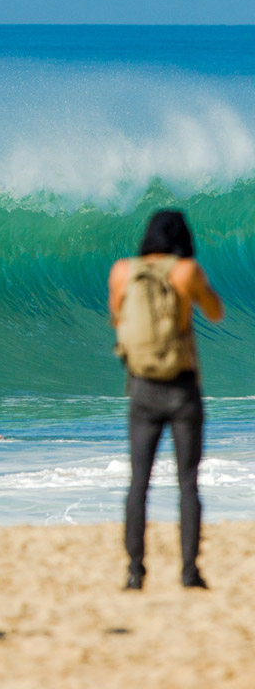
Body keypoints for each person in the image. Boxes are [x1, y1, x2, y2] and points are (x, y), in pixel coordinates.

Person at [109, 208, 224, 590]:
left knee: (138, 482)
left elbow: (117, 319)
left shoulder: (123, 271)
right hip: (181, 389)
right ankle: (189, 573)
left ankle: (133, 573)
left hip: (141, 388)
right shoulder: (185, 271)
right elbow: (215, 312)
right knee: (187, 483)